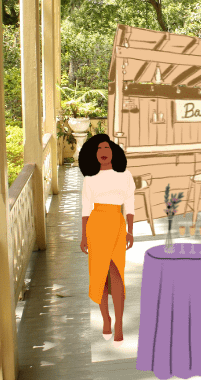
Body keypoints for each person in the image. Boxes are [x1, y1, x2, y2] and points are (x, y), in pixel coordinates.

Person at [79, 134, 135, 342]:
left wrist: (130, 230)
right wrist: (83, 236)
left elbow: (129, 204)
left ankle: (119, 323)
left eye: (107, 148)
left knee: (116, 273)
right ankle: (106, 319)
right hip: (96, 226)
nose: (103, 152)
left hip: (117, 225)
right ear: (93, 155)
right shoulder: (89, 179)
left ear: (113, 151)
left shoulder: (125, 176)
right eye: (99, 149)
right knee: (99, 276)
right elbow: (86, 209)